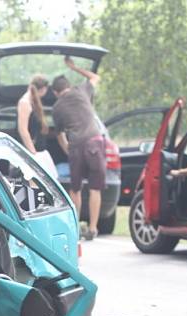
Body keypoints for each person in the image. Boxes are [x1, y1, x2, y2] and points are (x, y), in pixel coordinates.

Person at [51, 57, 105, 240]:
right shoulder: (82, 90)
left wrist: (67, 148)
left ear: (55, 92)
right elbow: (95, 77)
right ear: (68, 85)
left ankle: (74, 227)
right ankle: (93, 228)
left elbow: (59, 135)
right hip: (95, 142)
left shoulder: (57, 107)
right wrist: (74, 67)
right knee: (95, 189)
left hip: (77, 146)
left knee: (76, 189)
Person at [16, 74, 49, 154]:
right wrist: (33, 152)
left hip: (38, 150)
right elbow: (23, 130)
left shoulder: (32, 102)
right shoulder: (25, 103)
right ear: (44, 89)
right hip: (31, 152)